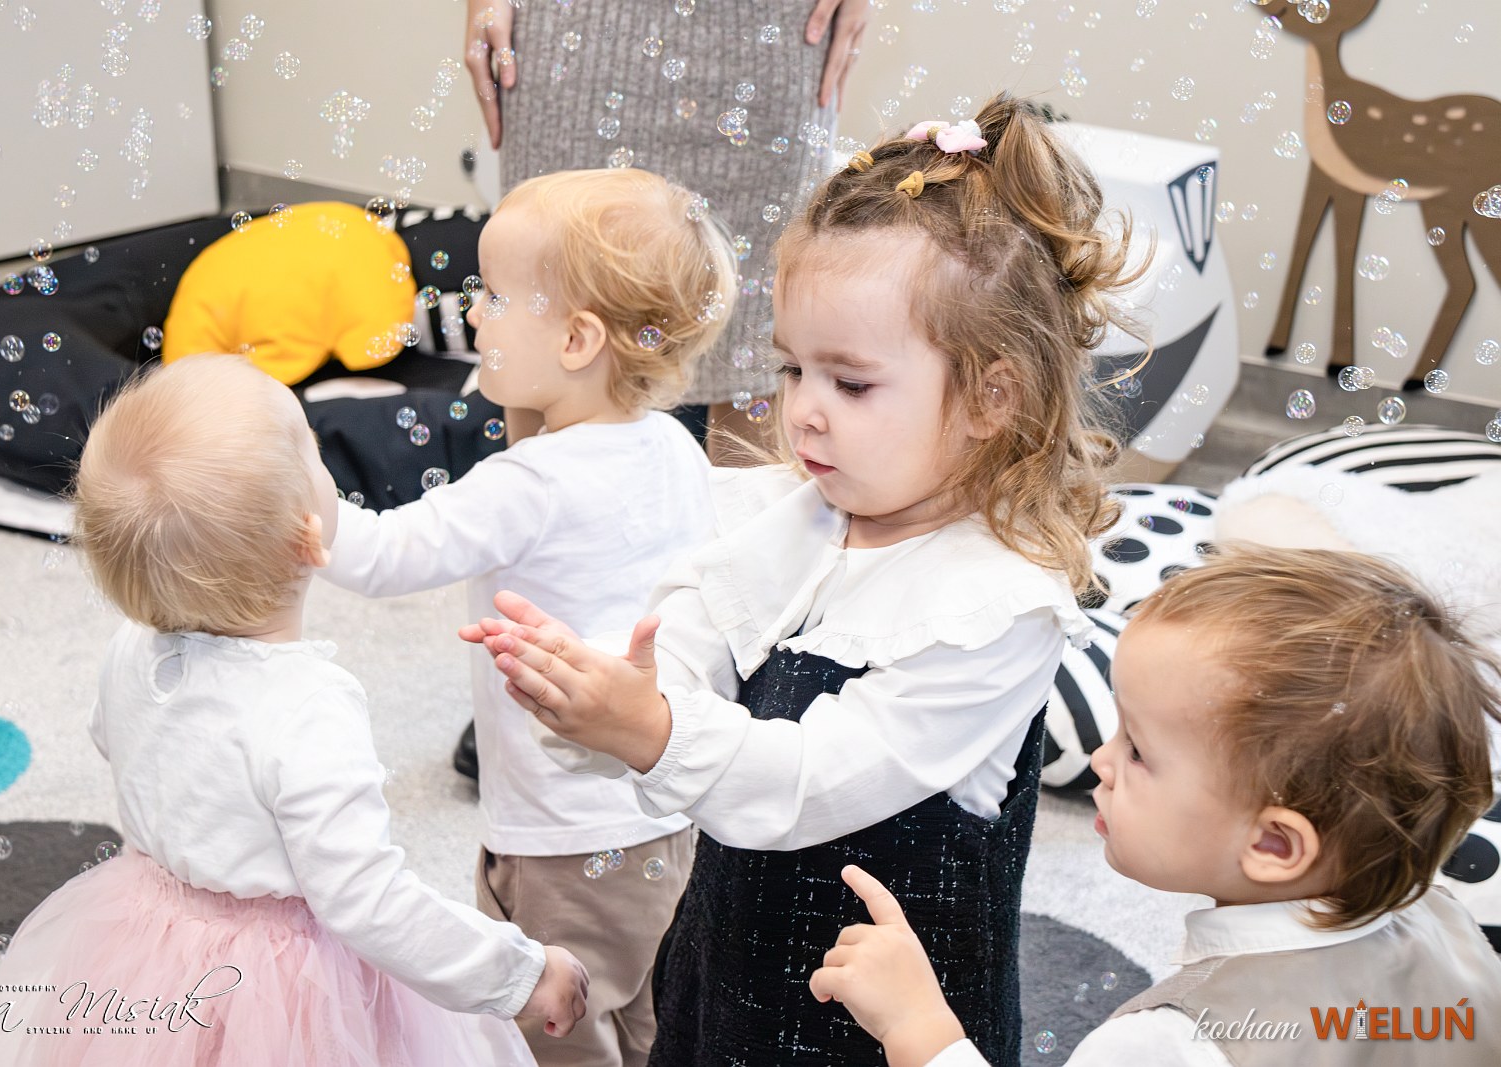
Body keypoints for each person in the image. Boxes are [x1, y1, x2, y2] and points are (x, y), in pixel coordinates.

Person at [464, 95, 1142, 1065]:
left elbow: (806, 782)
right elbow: (690, 629)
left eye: (850, 382)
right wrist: (605, 695)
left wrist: (652, 730)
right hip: (729, 969)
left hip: (875, 1029)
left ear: (992, 395)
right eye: (791, 370)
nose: (803, 412)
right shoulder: (790, 512)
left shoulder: (995, 609)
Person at [0, 354, 586, 1067]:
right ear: (309, 537)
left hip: (148, 941)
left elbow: (114, 737)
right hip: (284, 984)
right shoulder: (308, 706)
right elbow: (370, 902)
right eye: (312, 449)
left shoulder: (130, 647)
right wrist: (520, 975)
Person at [319, 167, 736, 1067]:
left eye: (495, 296)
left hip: (559, 840)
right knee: (655, 1015)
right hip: (666, 802)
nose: (472, 314)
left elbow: (379, 555)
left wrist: (293, 475)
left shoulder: (525, 485)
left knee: (553, 1030)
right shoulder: (675, 445)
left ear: (578, 339)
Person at [809, 545, 1501, 1066]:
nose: (1102, 761)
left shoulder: (1174, 1041)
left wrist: (919, 1027)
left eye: (1138, 750)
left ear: (1274, 845)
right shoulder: (1450, 928)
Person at [464, 0, 871, 461]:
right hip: (570, 28)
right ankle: (532, 500)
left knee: (756, 349)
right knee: (540, 294)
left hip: (770, 29)